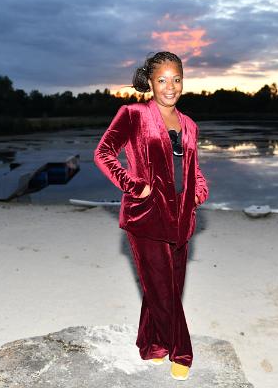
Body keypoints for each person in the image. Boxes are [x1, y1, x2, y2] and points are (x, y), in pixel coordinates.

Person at [94, 51, 209, 381]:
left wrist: (200, 190)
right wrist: (133, 185)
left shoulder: (190, 125)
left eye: (176, 79)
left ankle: (152, 344)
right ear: (150, 82)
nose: (170, 87)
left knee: (165, 287)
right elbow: (103, 153)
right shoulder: (132, 114)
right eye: (162, 80)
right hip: (145, 218)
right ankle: (181, 352)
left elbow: (193, 169)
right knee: (163, 289)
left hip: (182, 219)